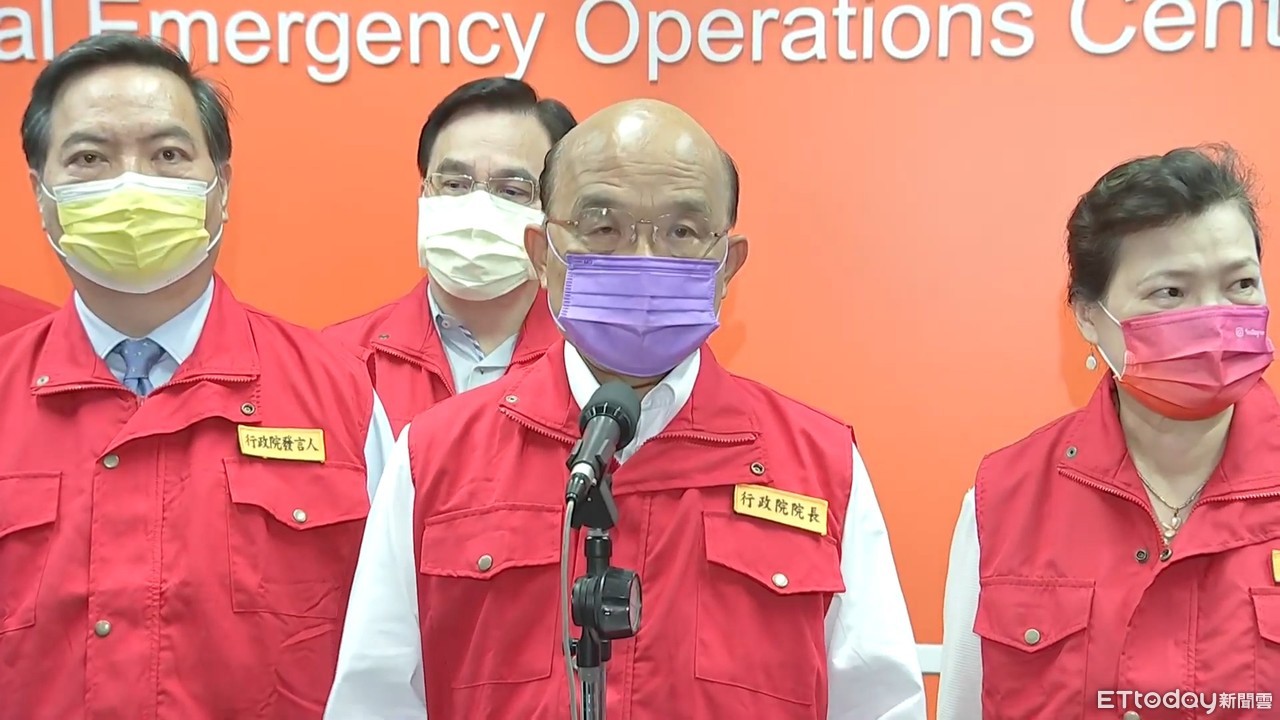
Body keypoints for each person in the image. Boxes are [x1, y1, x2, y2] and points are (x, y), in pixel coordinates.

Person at [325, 99, 927, 720]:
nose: (642, 259)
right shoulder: (436, 456)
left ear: (727, 266)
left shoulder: (819, 465)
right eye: (602, 227)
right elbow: (376, 701)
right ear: (541, 251)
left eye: (681, 232)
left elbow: (881, 706)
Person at [0, 33, 395, 718]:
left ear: (221, 187)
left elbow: (392, 656)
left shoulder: (341, 394)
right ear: (42, 194)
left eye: (167, 155)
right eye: (90, 158)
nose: (131, 185)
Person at [937, 145, 1277, 719]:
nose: (1215, 317)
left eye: (1241, 283)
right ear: (1090, 316)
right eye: (1171, 292)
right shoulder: (1005, 500)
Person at [324, 78, 574, 434]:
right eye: (455, 184)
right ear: (424, 194)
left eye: (511, 190)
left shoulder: (590, 365)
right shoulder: (339, 362)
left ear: (556, 210)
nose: (478, 209)